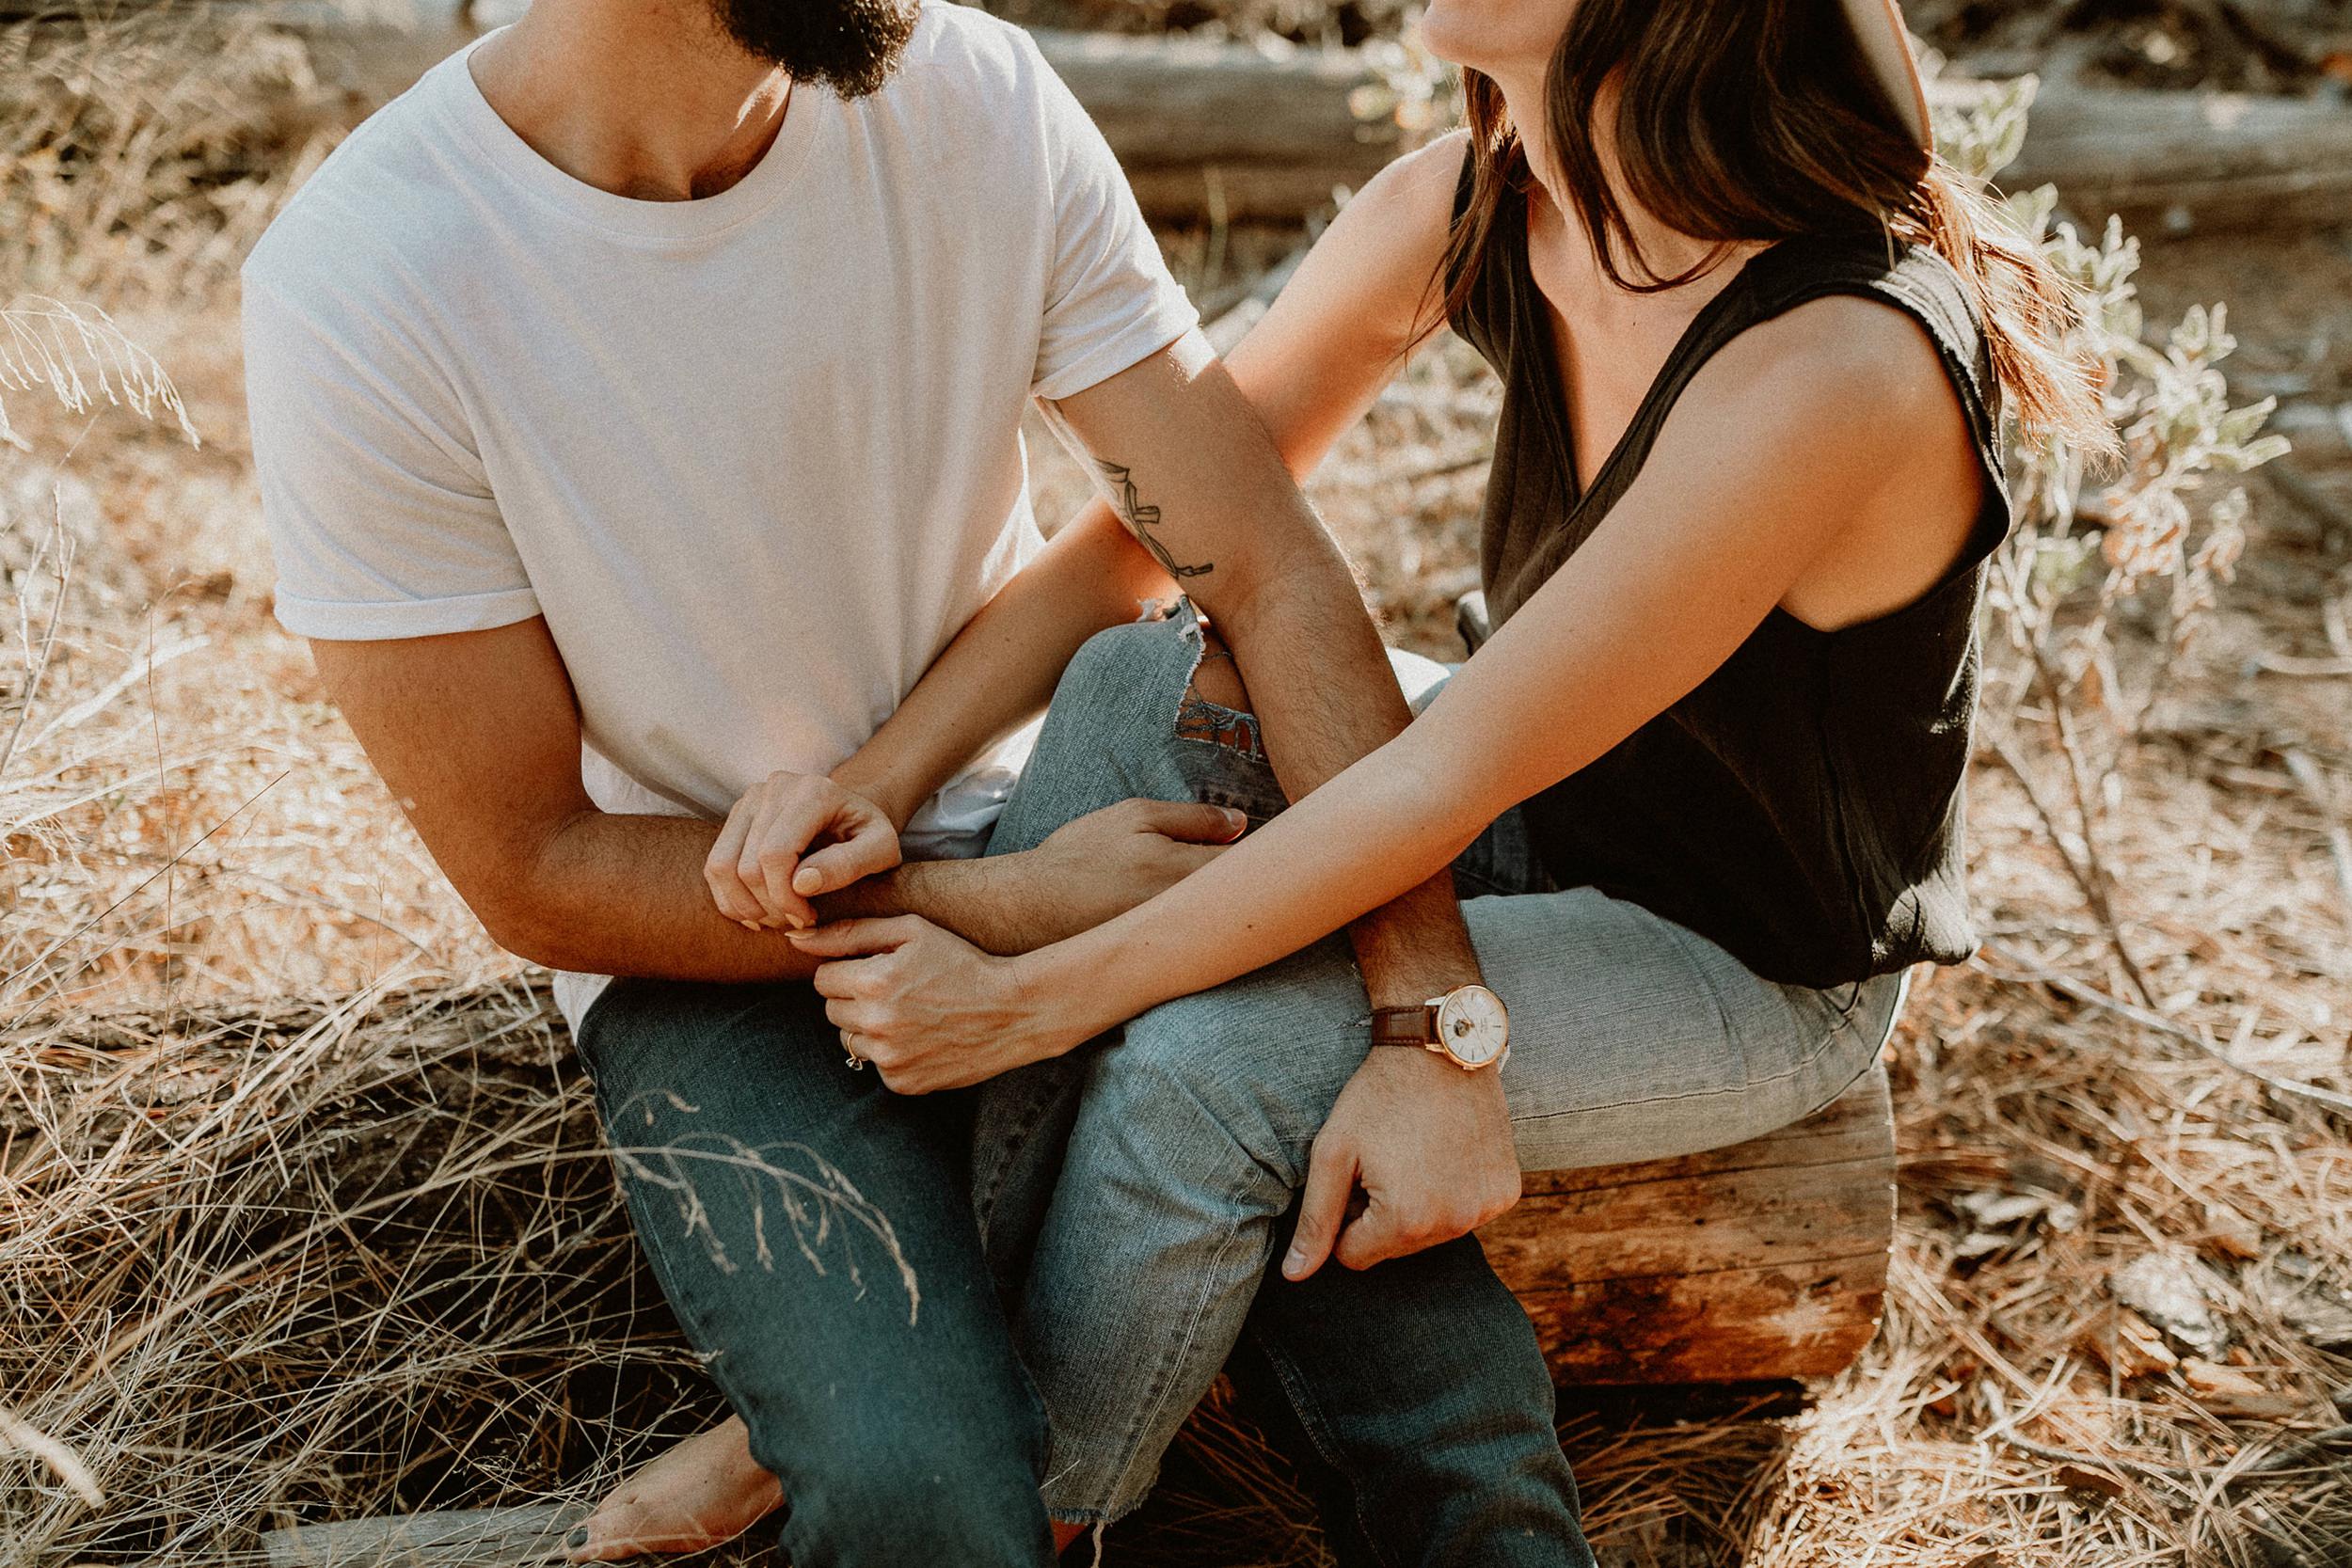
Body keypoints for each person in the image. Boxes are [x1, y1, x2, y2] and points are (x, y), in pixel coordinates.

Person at [747, 0, 2117, 1551]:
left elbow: (1427, 786)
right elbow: (1165, 527)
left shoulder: (1836, 362)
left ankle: (1008, 1508)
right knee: (1142, 681)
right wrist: (887, 768)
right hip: (1537, 800)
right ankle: (921, 1353)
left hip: (1736, 958)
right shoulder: (1483, 196)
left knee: (1214, 1058)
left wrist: (1039, 992)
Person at [239, 0, 1584, 1562]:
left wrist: (1425, 1016)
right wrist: (1003, 908)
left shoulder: (971, 92)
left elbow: (1268, 575)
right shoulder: (365, 282)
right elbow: (533, 867)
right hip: (723, 946)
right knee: (914, 1502)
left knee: (1450, 1423)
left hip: (1093, 819)